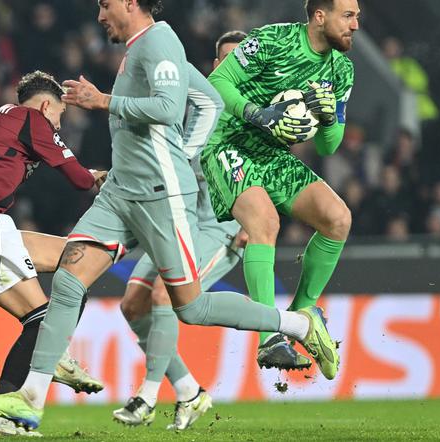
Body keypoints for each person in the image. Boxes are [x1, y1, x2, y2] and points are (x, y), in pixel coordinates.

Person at [0, 0, 340, 432]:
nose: (99, 15)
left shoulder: (160, 41)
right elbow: (210, 101)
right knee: (71, 279)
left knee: (191, 306)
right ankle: (30, 400)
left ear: (130, 3)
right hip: (120, 193)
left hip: (160, 197)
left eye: (105, 5)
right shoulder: (139, 47)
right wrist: (187, 151)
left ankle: (298, 323)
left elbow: (169, 107)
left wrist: (111, 106)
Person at [0, 71, 107, 437]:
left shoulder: (2, 118)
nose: (57, 126)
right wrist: (99, 177)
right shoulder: (31, 118)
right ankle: (0, 413)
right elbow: (76, 177)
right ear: (46, 105)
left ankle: (56, 350)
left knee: (76, 257)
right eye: (58, 117)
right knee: (41, 319)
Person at [200, 0, 357, 370]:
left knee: (338, 219)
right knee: (265, 223)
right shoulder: (272, 40)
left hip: (272, 155)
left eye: (357, 17)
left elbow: (328, 145)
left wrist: (326, 114)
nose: (355, 26)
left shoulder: (342, 70)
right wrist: (257, 113)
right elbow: (217, 81)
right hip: (229, 142)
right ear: (321, 16)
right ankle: (269, 336)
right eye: (348, 16)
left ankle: (302, 312)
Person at [112, 30, 248, 431]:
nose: (228, 66)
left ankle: (147, 396)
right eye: (223, 59)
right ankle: (188, 389)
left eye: (238, 60)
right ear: (214, 64)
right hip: (175, 216)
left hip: (219, 228)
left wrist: (253, 224)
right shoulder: (194, 100)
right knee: (133, 306)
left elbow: (271, 179)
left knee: (164, 296)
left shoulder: (254, 116)